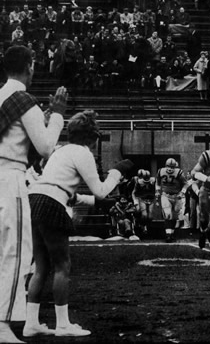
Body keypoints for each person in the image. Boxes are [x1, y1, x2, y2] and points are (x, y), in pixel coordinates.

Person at [25, 110, 134, 338]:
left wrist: (93, 200)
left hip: (34, 200)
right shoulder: (82, 153)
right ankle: (63, 325)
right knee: (62, 266)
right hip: (51, 204)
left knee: (42, 266)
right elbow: (101, 191)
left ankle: (31, 323)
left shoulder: (60, 151)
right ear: (92, 137)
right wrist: (116, 172)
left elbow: (70, 194)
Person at [0, 45, 67, 344]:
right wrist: (58, 117)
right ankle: (2, 325)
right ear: (29, 66)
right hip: (10, 178)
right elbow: (46, 148)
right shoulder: (24, 100)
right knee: (14, 254)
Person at [155, 158, 188, 243]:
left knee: (175, 215)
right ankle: (168, 235)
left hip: (177, 196)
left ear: (175, 167)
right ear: (165, 166)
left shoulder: (179, 172)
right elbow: (158, 183)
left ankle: (171, 233)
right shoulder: (160, 171)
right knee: (167, 214)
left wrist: (182, 192)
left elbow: (185, 184)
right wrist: (157, 191)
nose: (170, 169)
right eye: (168, 167)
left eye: (172, 167)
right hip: (166, 195)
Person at [131, 169, 156, 236]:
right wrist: (135, 202)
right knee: (141, 213)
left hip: (150, 199)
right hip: (140, 198)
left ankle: (146, 227)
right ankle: (140, 225)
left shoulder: (153, 180)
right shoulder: (136, 181)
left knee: (150, 216)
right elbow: (133, 192)